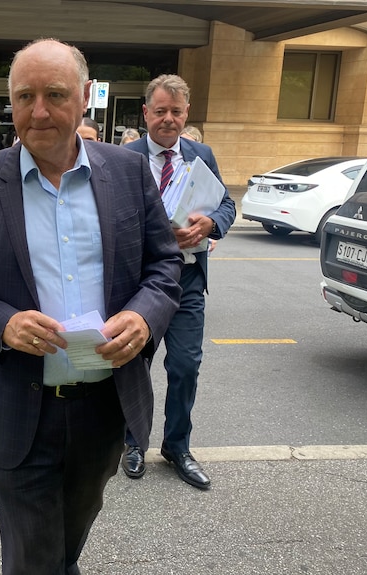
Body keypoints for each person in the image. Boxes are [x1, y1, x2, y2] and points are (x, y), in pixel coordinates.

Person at [0, 38, 183, 575]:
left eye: (55, 94)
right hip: (20, 407)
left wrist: (143, 315)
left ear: (86, 97)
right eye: (24, 96)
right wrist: (2, 322)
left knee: (68, 540)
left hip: (103, 405)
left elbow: (164, 268)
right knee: (33, 558)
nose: (38, 111)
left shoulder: (129, 174)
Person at [122, 74, 235, 489]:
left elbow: (226, 202)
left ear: (186, 114)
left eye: (176, 111)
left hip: (188, 279)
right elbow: (110, 217)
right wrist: (157, 234)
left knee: (185, 366)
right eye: (160, 111)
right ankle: (132, 443)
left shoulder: (201, 153)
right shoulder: (124, 157)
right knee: (136, 366)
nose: (168, 119)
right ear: (146, 113)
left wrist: (211, 224)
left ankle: (177, 446)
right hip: (141, 282)